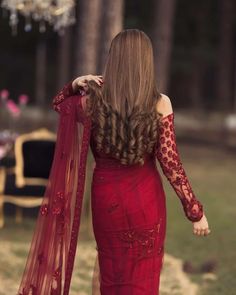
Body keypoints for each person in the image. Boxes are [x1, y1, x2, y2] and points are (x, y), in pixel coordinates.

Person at [17, 29, 210, 295]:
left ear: (113, 60)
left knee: (111, 272)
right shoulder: (160, 103)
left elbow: (59, 104)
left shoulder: (90, 103)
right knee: (144, 277)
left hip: (107, 201)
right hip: (146, 202)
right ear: (146, 61)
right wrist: (194, 211)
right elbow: (171, 163)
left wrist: (74, 85)